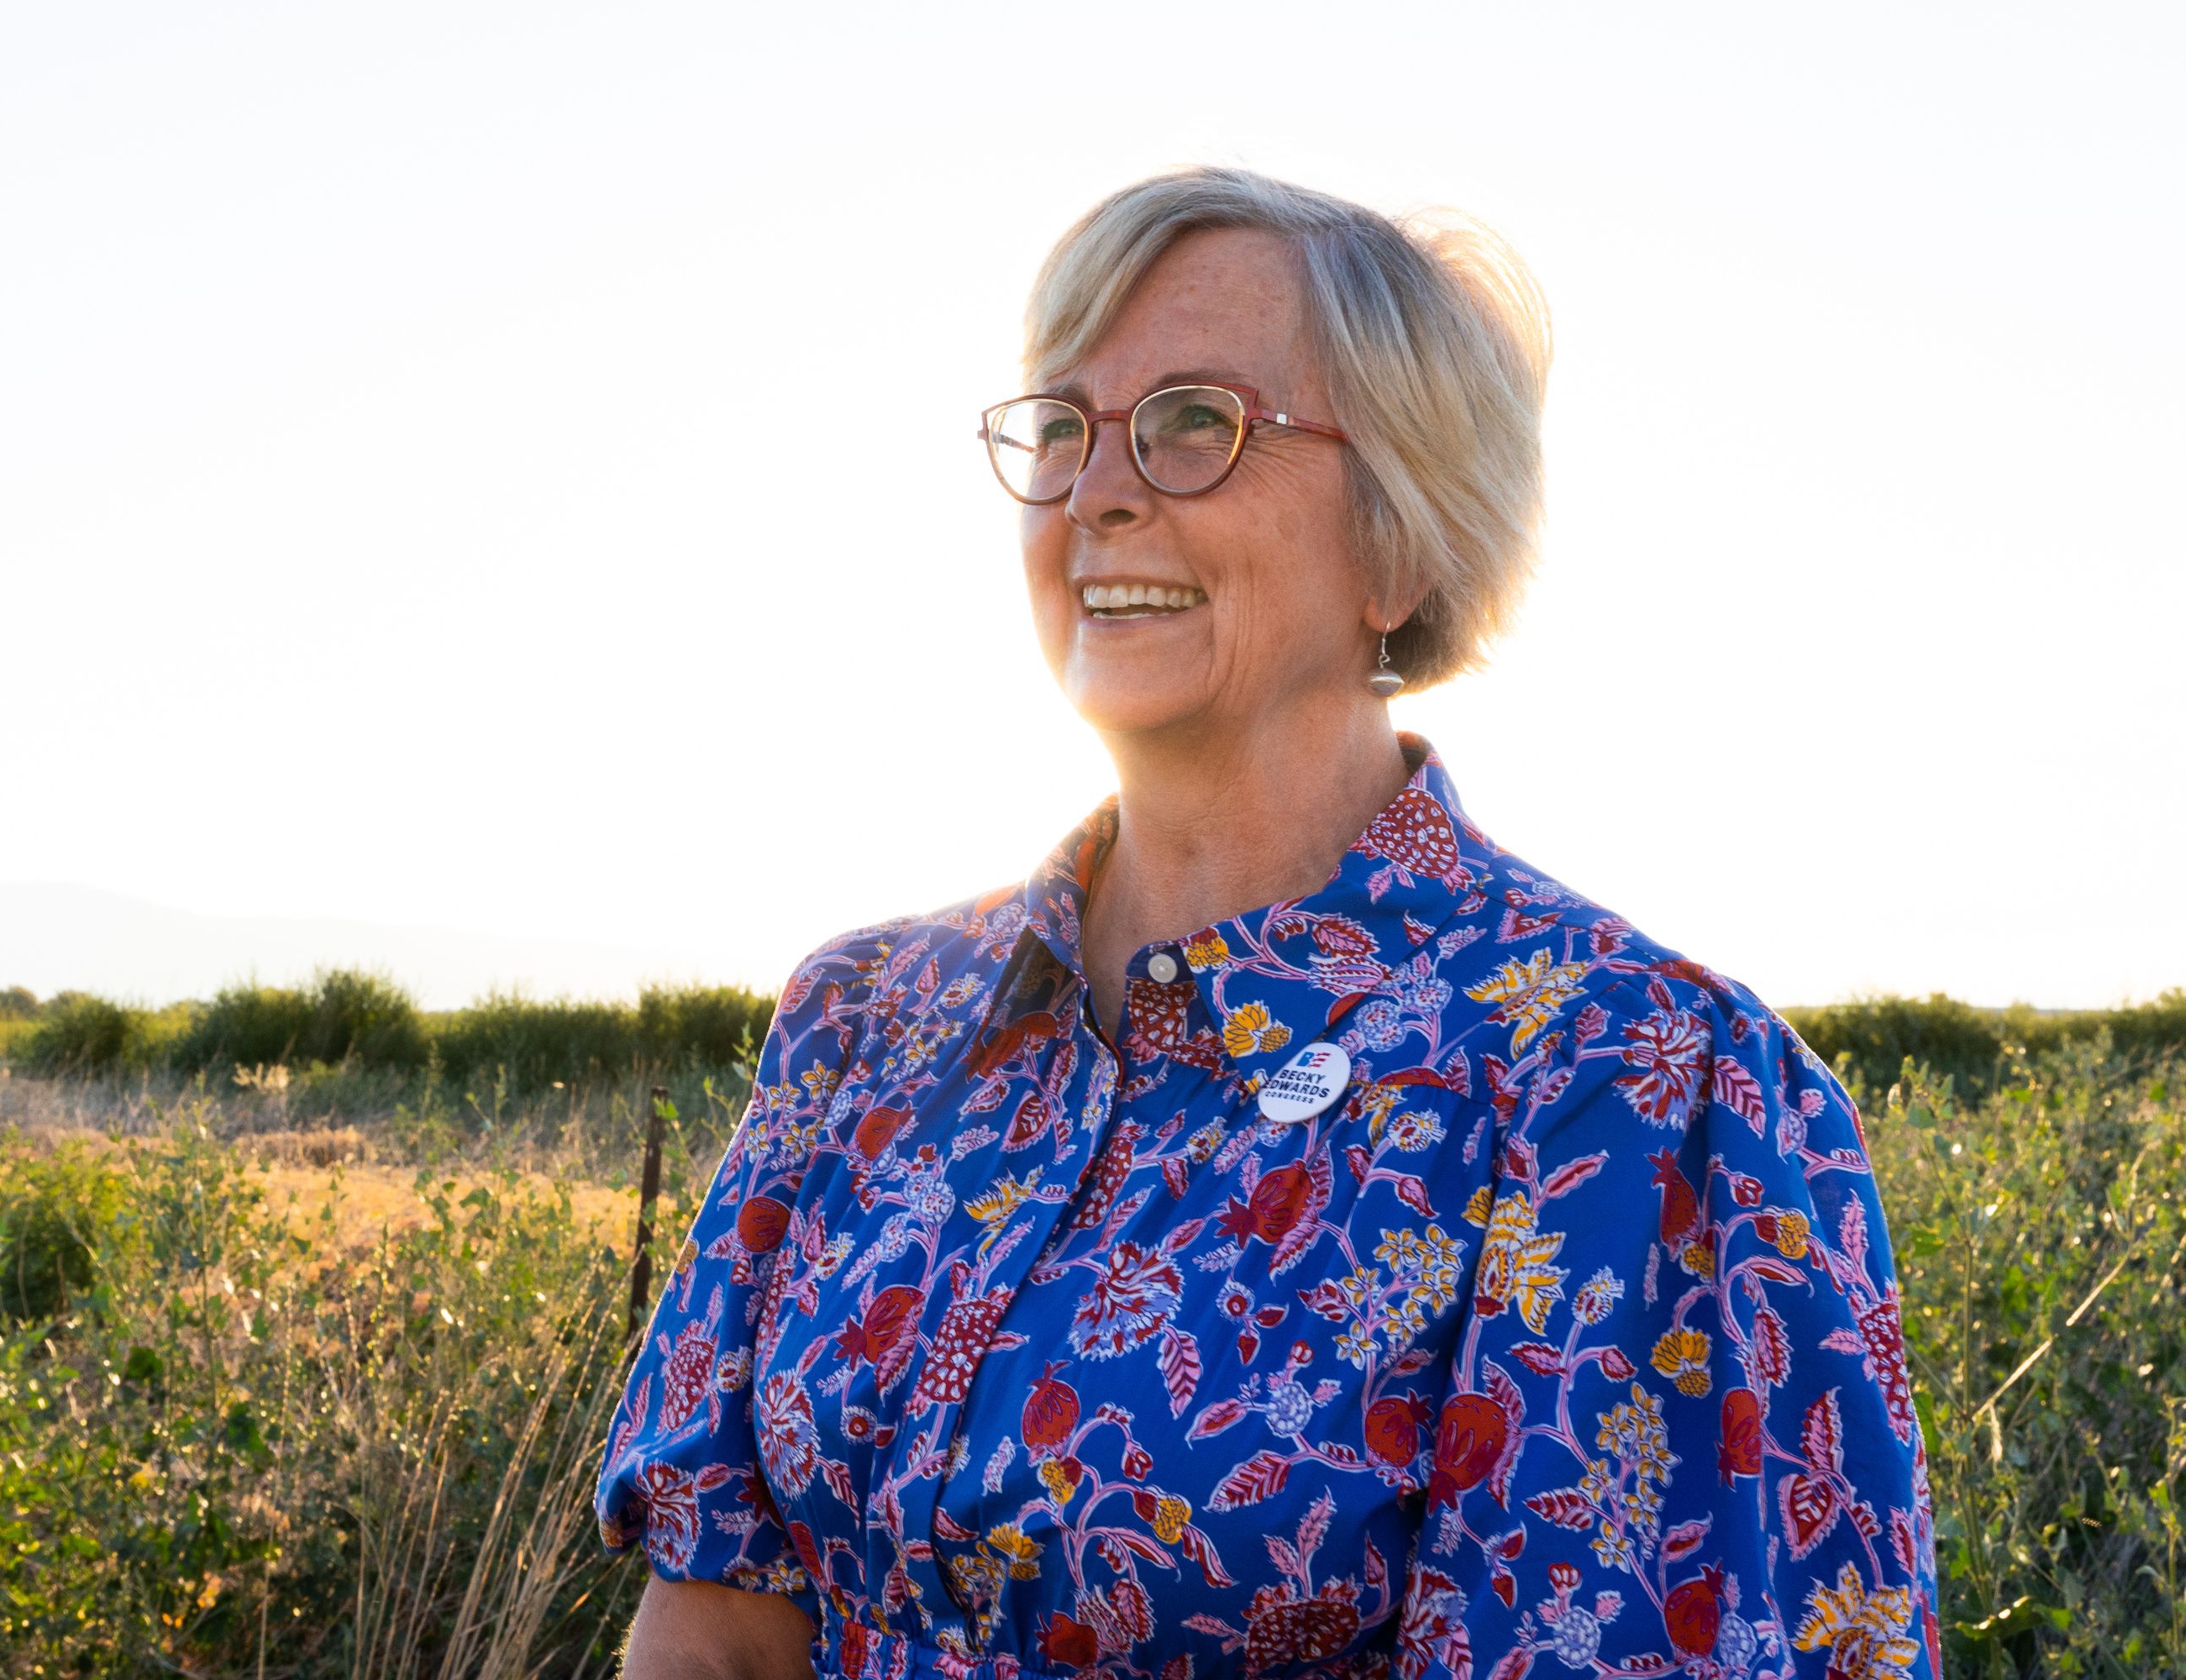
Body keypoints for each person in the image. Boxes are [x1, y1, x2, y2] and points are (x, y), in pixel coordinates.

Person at [597, 166, 1940, 1680]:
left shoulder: (1625, 1087)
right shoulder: (868, 1025)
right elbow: (714, 1619)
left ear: (1405, 545)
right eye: (1061, 427)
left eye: (1193, 423)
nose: (1098, 490)